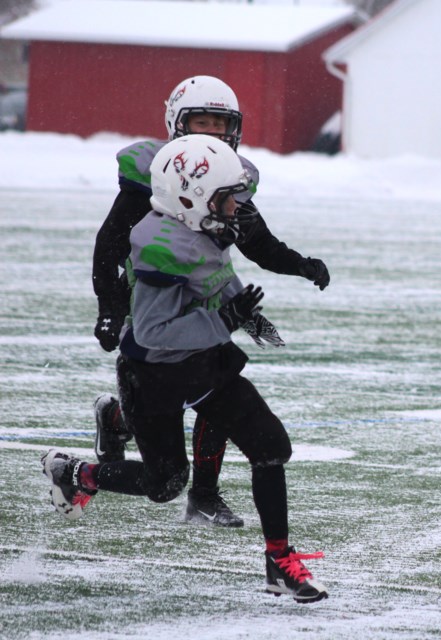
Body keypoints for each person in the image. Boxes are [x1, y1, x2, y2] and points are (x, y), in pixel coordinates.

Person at [44, 134, 328, 602]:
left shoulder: (202, 227)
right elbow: (155, 333)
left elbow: (214, 276)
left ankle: (279, 561)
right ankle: (77, 475)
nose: (237, 208)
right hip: (153, 372)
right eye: (228, 199)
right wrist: (223, 320)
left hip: (203, 363)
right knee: (166, 482)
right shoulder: (161, 243)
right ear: (191, 198)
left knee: (270, 443)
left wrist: (243, 312)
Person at [91, 75, 330, 527]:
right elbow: (109, 246)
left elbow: (255, 240)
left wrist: (299, 264)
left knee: (214, 383)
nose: (213, 135)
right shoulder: (154, 176)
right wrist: (110, 308)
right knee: (168, 396)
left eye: (221, 124)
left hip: (205, 298)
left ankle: (203, 493)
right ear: (177, 124)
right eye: (201, 122)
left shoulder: (227, 179)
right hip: (156, 299)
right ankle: (122, 418)